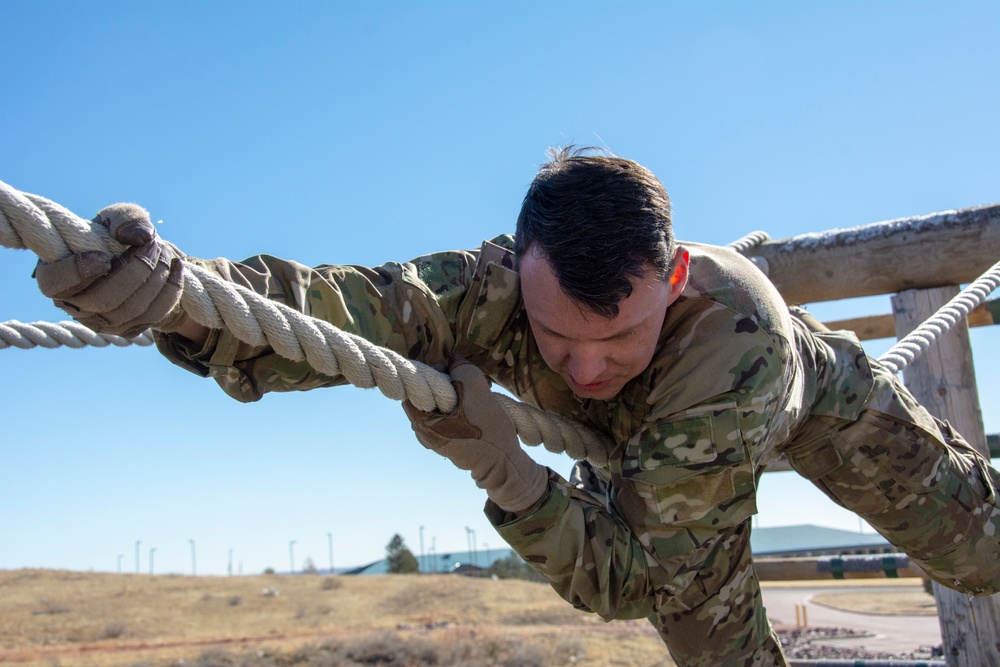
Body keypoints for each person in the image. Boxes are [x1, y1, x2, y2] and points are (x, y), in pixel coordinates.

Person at [34, 147, 1000, 666]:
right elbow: (337, 310)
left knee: (980, 547)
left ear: (669, 277)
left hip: (807, 402)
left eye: (615, 338)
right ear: (514, 268)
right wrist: (179, 301)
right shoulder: (483, 288)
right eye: (556, 336)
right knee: (718, 650)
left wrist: (508, 471)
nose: (583, 372)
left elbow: (626, 578)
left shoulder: (727, 342)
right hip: (657, 458)